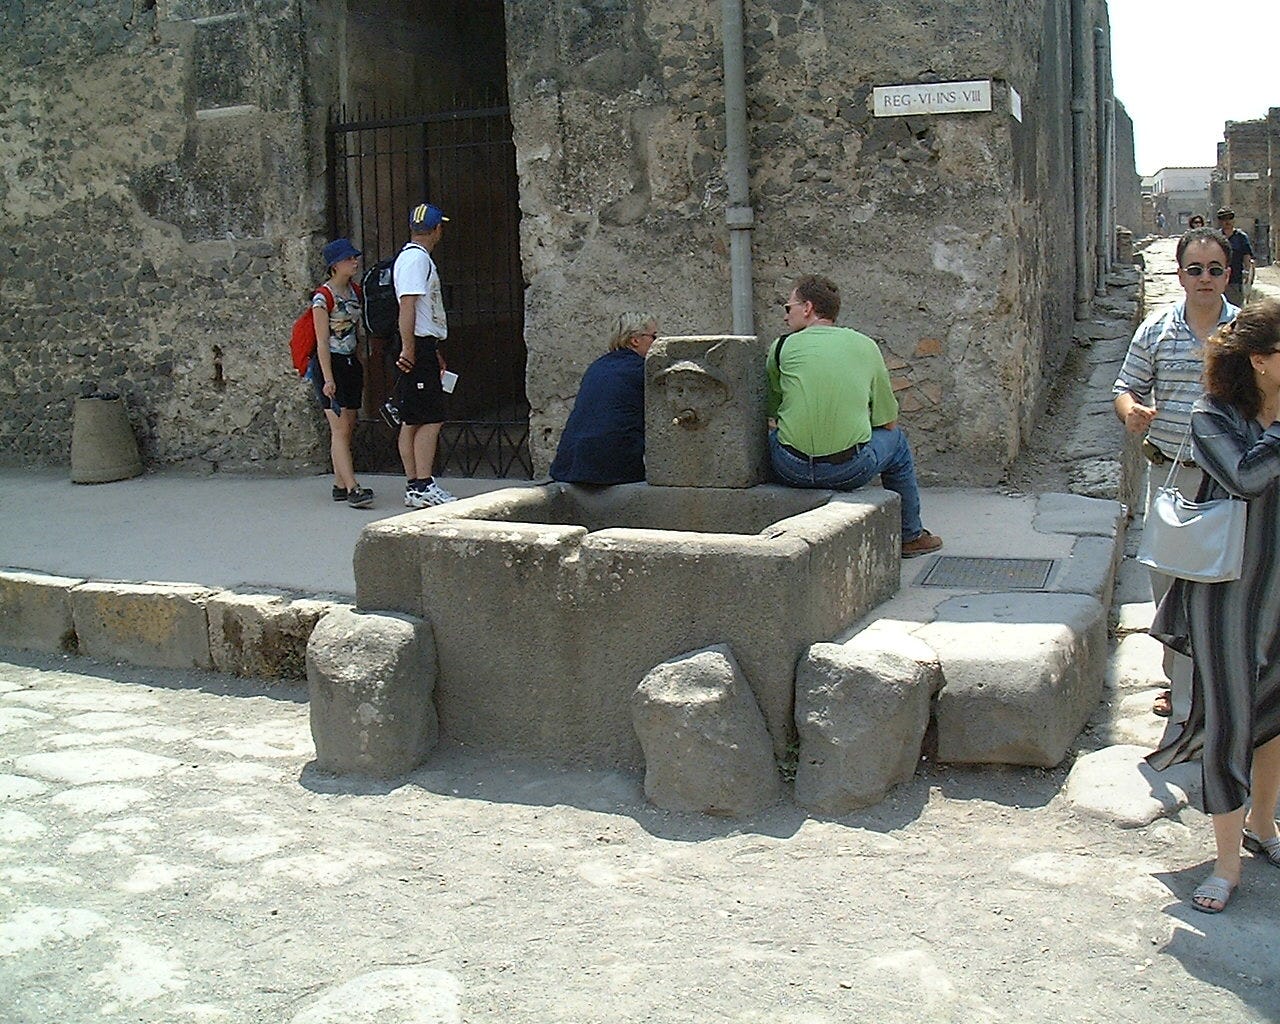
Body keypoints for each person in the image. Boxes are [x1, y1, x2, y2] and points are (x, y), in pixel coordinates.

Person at [1146, 298, 1280, 914]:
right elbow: (1246, 479)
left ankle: (1264, 827)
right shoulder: (1212, 417)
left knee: (1274, 718)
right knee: (1229, 723)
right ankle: (1226, 866)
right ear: (1259, 361)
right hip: (1228, 596)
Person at [1114, 227, 1239, 718]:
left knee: (1225, 582)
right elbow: (1125, 386)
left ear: (1228, 275)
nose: (1205, 278)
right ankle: (1177, 680)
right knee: (1167, 587)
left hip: (1230, 481)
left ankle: (1219, 682)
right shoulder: (1157, 330)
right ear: (1181, 275)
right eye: (1195, 269)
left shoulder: (1245, 334)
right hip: (1171, 477)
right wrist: (1131, 412)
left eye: (1214, 270)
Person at [766, 274, 942, 558]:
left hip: (790, 469)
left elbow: (773, 411)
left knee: (774, 436)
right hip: (848, 471)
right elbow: (888, 421)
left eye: (789, 308)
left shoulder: (780, 348)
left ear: (808, 308)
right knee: (897, 442)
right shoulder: (865, 346)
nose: (787, 316)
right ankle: (910, 535)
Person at [393, 203, 456, 508]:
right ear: (436, 229)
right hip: (416, 345)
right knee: (431, 418)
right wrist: (411, 347)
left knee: (412, 418)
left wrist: (431, 348)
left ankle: (415, 484)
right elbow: (408, 305)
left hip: (421, 343)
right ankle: (422, 484)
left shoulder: (410, 259)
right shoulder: (417, 261)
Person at [549, 313, 656, 484]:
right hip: (608, 468)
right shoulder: (641, 370)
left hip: (568, 464)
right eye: (653, 336)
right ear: (635, 340)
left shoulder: (598, 366)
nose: (657, 343)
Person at [309, 237, 374, 509]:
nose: (355, 261)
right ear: (335, 265)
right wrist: (327, 379)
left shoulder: (356, 291)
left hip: (349, 362)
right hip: (330, 364)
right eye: (349, 258)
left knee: (347, 426)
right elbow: (322, 341)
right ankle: (352, 488)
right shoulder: (322, 299)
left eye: (355, 257)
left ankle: (339, 482)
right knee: (338, 428)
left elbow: (357, 332)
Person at [1216, 207, 1255, 307]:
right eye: (1224, 218)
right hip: (1218, 278)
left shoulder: (1241, 237)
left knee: (1235, 306)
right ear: (1220, 221)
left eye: (1229, 218)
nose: (1227, 221)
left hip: (1235, 278)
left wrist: (1247, 272)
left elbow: (1246, 255)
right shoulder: (1217, 237)